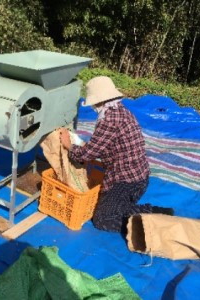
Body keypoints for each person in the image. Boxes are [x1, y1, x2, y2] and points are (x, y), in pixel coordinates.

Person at [60, 76, 173, 233]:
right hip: (138, 178)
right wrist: (85, 147)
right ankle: (143, 211)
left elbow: (86, 154)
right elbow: (101, 146)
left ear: (98, 101)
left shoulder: (109, 119)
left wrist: (68, 145)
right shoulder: (120, 111)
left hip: (128, 182)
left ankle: (152, 218)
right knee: (112, 206)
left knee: (102, 219)